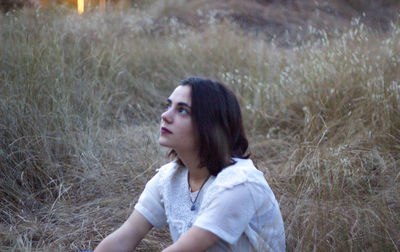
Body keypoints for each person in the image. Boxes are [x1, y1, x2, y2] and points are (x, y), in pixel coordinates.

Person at [94, 77, 285, 252]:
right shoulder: (169, 178)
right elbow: (125, 237)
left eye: (182, 110)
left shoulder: (239, 184)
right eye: (168, 106)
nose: (165, 116)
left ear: (210, 126)